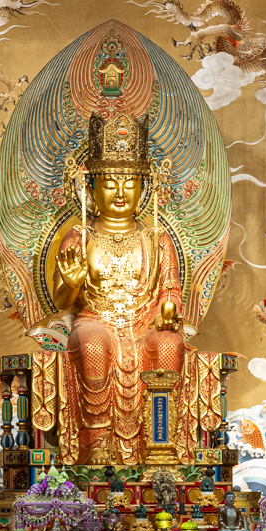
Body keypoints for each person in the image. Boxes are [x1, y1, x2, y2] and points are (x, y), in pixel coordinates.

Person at [52, 112, 187, 465]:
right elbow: (61, 300)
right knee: (95, 342)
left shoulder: (157, 239)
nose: (121, 192)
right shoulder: (80, 236)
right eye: (110, 182)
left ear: (144, 186)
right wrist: (71, 283)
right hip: (95, 317)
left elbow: (170, 289)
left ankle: (162, 441)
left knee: (170, 343)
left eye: (130, 182)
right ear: (92, 187)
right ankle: (96, 441)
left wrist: (168, 310)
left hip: (145, 323)